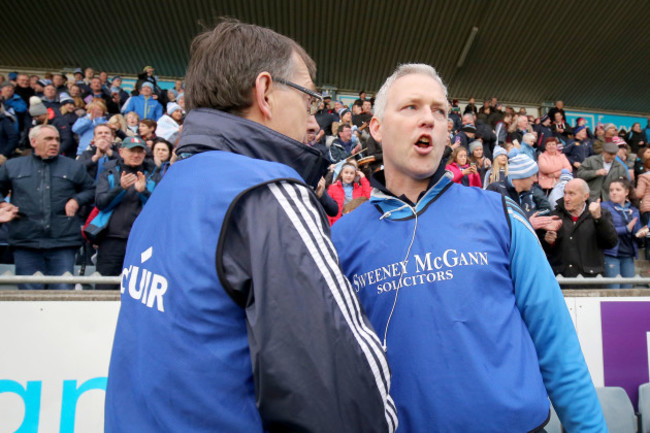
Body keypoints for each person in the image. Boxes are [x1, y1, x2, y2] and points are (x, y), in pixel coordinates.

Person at [104, 19, 396, 433]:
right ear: (265, 92)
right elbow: (337, 387)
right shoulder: (267, 193)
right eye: (308, 98)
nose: (312, 120)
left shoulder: (170, 186)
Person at [330, 63, 606, 433]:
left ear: (448, 132)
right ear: (376, 128)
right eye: (410, 106)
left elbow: (557, 345)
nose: (428, 118)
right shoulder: (340, 240)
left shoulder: (501, 215)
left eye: (439, 111)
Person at [0, 125, 95, 289]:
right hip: (26, 242)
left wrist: (76, 200)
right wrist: (2, 204)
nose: (54, 143)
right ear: (33, 141)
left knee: (62, 294)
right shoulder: (12, 166)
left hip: (63, 242)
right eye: (49, 139)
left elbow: (92, 189)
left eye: (57, 139)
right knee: (29, 298)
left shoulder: (74, 166)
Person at [94, 137, 159, 289]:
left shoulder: (153, 175)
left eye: (139, 151)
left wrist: (144, 192)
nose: (136, 155)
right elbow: (101, 203)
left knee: (140, 289)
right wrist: (120, 188)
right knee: (105, 289)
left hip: (142, 241)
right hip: (112, 240)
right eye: (132, 151)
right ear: (121, 152)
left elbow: (159, 208)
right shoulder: (108, 172)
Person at [542, 178, 618, 280]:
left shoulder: (600, 214)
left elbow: (611, 242)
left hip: (590, 279)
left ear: (585, 196)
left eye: (571, 194)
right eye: (565, 193)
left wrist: (599, 219)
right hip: (561, 278)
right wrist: (548, 241)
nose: (566, 198)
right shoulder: (554, 216)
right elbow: (544, 249)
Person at [601, 179, 646, 288]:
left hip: (628, 254)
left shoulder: (634, 209)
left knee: (627, 291)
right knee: (613, 289)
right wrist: (626, 229)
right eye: (611, 190)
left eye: (618, 190)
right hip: (611, 254)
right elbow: (605, 231)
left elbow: (635, 230)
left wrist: (641, 232)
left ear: (626, 192)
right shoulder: (604, 207)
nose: (613, 192)